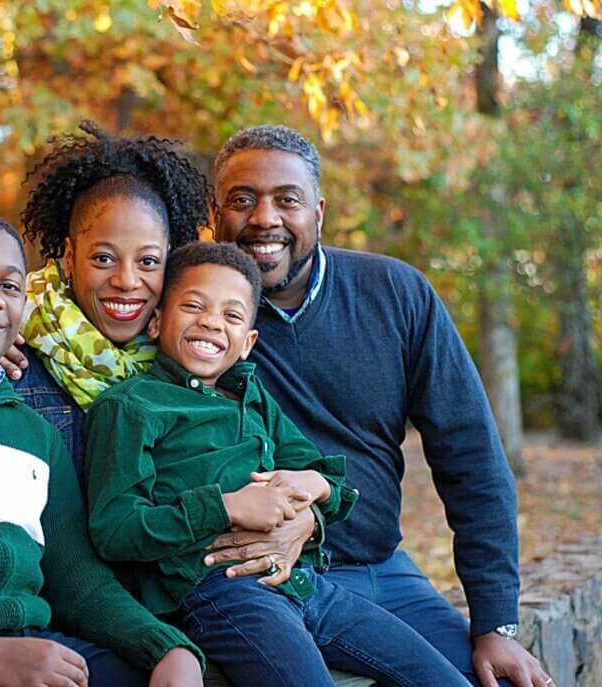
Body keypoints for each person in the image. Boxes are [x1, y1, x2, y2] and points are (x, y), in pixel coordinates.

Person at [208, 124, 551, 687]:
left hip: (380, 570)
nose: (264, 218)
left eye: (286, 200)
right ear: (215, 211)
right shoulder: (192, 314)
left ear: (318, 211)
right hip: (257, 580)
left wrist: (496, 624)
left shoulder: (396, 294)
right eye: (242, 200)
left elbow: (472, 460)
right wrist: (11, 343)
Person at [83, 240, 468, 686]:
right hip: (221, 592)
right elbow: (114, 530)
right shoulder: (132, 406)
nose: (210, 321)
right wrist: (225, 507)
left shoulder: (252, 396)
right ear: (156, 321)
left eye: (231, 315)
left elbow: (322, 474)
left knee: (441, 678)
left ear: (247, 343)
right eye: (193, 306)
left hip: (304, 583)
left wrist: (317, 488)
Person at [0, 209, 205, 687]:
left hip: (40, 647)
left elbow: (77, 580)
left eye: (10, 287)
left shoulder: (35, 433)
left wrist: (165, 646)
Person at [4, 121, 210, 484]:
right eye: (103, 259)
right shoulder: (10, 355)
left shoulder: (195, 364)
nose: (127, 281)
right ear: (70, 257)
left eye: (147, 261)